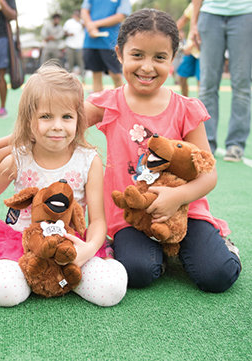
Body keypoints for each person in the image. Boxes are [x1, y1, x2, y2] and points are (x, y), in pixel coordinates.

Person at [83, 9, 241, 292]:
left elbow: (209, 174)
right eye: (137, 55)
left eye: (159, 57)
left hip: (185, 210)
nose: (147, 67)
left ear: (173, 59)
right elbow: (58, 122)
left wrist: (177, 196)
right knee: (137, 272)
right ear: (119, 54)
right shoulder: (108, 103)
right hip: (131, 214)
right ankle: (160, 252)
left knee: (218, 275)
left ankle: (213, 244)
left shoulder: (185, 109)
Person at [0, 63, 128, 308]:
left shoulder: (88, 160)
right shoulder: (18, 158)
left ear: (78, 119)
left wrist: (89, 248)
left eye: (67, 117)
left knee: (111, 291)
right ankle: (11, 271)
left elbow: (97, 220)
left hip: (72, 246)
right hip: (22, 245)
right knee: (4, 292)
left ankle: (68, 274)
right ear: (30, 120)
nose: (57, 126)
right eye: (46, 116)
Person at [190, 0, 252, 162]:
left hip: (245, 14)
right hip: (210, 15)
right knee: (207, 85)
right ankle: (206, 143)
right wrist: (193, 24)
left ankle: (235, 145)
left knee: (242, 85)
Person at [80, 0, 131, 93]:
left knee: (116, 75)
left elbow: (120, 16)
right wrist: (90, 27)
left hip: (110, 42)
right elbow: (84, 11)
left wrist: (94, 24)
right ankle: (97, 106)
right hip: (91, 41)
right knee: (96, 74)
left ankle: (121, 104)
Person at [176, 2, 201, 97]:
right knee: (182, 76)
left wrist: (191, 47)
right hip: (190, 51)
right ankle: (185, 101)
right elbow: (182, 21)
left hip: (202, 50)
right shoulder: (193, 6)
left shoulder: (208, 7)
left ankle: (200, 108)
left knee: (201, 80)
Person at [63, 9, 85, 81]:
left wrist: (79, 21)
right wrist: (69, 34)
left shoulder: (82, 22)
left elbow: (85, 28)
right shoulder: (69, 22)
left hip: (80, 46)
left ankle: (83, 78)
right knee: (70, 63)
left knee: (81, 63)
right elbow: (64, 32)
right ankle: (68, 79)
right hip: (70, 45)